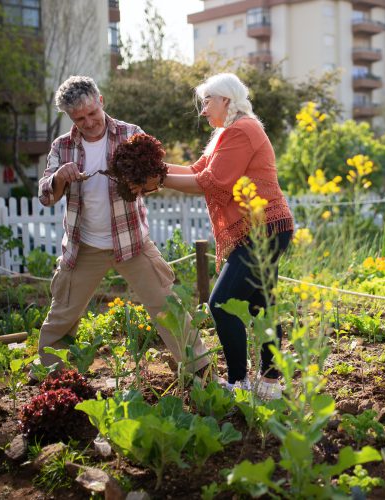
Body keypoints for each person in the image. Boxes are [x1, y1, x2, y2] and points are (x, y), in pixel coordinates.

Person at [36, 75, 209, 376]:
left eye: (92, 113)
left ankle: (200, 372)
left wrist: (140, 180)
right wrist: (59, 178)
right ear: (70, 117)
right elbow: (45, 195)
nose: (88, 122)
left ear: (101, 101)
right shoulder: (62, 146)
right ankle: (51, 380)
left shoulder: (131, 134)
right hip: (84, 246)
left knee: (167, 306)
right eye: (80, 118)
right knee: (62, 315)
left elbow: (155, 179)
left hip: (132, 242)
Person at [145, 73, 294, 399]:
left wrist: (157, 179)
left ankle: (240, 382)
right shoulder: (229, 132)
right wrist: (155, 169)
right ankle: (269, 384)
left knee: (222, 303)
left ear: (225, 100)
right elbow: (198, 171)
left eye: (207, 102)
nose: (203, 111)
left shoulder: (242, 130)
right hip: (266, 227)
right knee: (260, 305)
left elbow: (211, 182)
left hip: (262, 229)